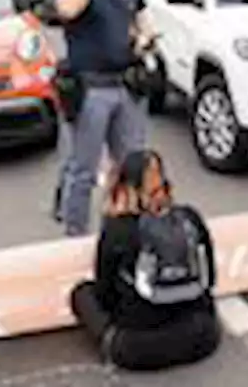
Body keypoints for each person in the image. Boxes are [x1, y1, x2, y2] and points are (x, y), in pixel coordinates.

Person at [69, 150, 221, 370]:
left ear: (128, 190)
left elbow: (105, 295)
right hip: (201, 337)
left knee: (81, 293)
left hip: (137, 348)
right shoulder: (190, 218)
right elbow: (210, 279)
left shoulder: (117, 230)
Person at [51, 0, 157, 237]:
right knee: (83, 170)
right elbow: (68, 9)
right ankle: (75, 236)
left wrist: (145, 37)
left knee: (131, 164)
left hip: (126, 86)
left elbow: (141, 18)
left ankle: (125, 230)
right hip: (91, 88)